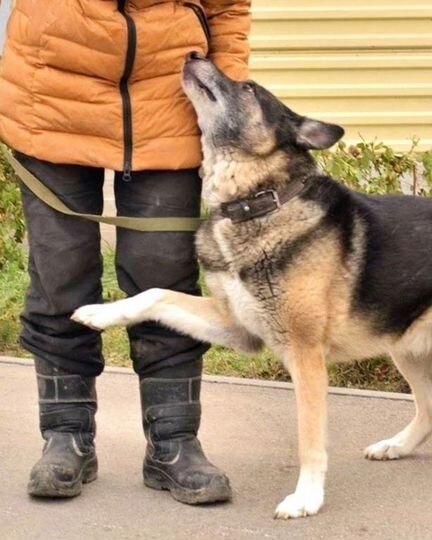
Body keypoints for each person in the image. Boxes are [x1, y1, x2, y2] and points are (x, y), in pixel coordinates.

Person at [0, 0, 251, 504]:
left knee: (166, 275)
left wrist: (230, 93)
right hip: (50, 96)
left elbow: (229, 8)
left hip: (168, 96)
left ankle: (174, 443)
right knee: (60, 276)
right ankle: (65, 437)